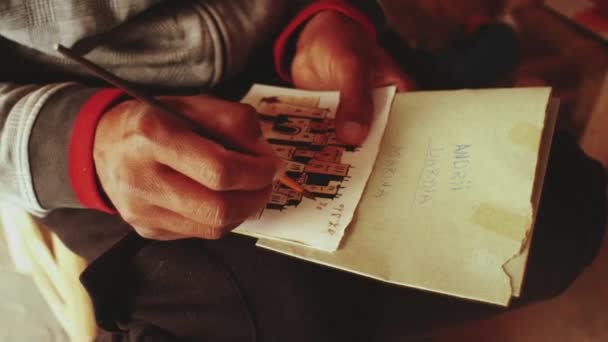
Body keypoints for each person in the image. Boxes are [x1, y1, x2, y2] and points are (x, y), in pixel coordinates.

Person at [0, 1, 605, 341]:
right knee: (262, 310)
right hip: (90, 118)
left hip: (292, 51)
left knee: (559, 213)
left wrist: (327, 17)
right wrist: (79, 143)